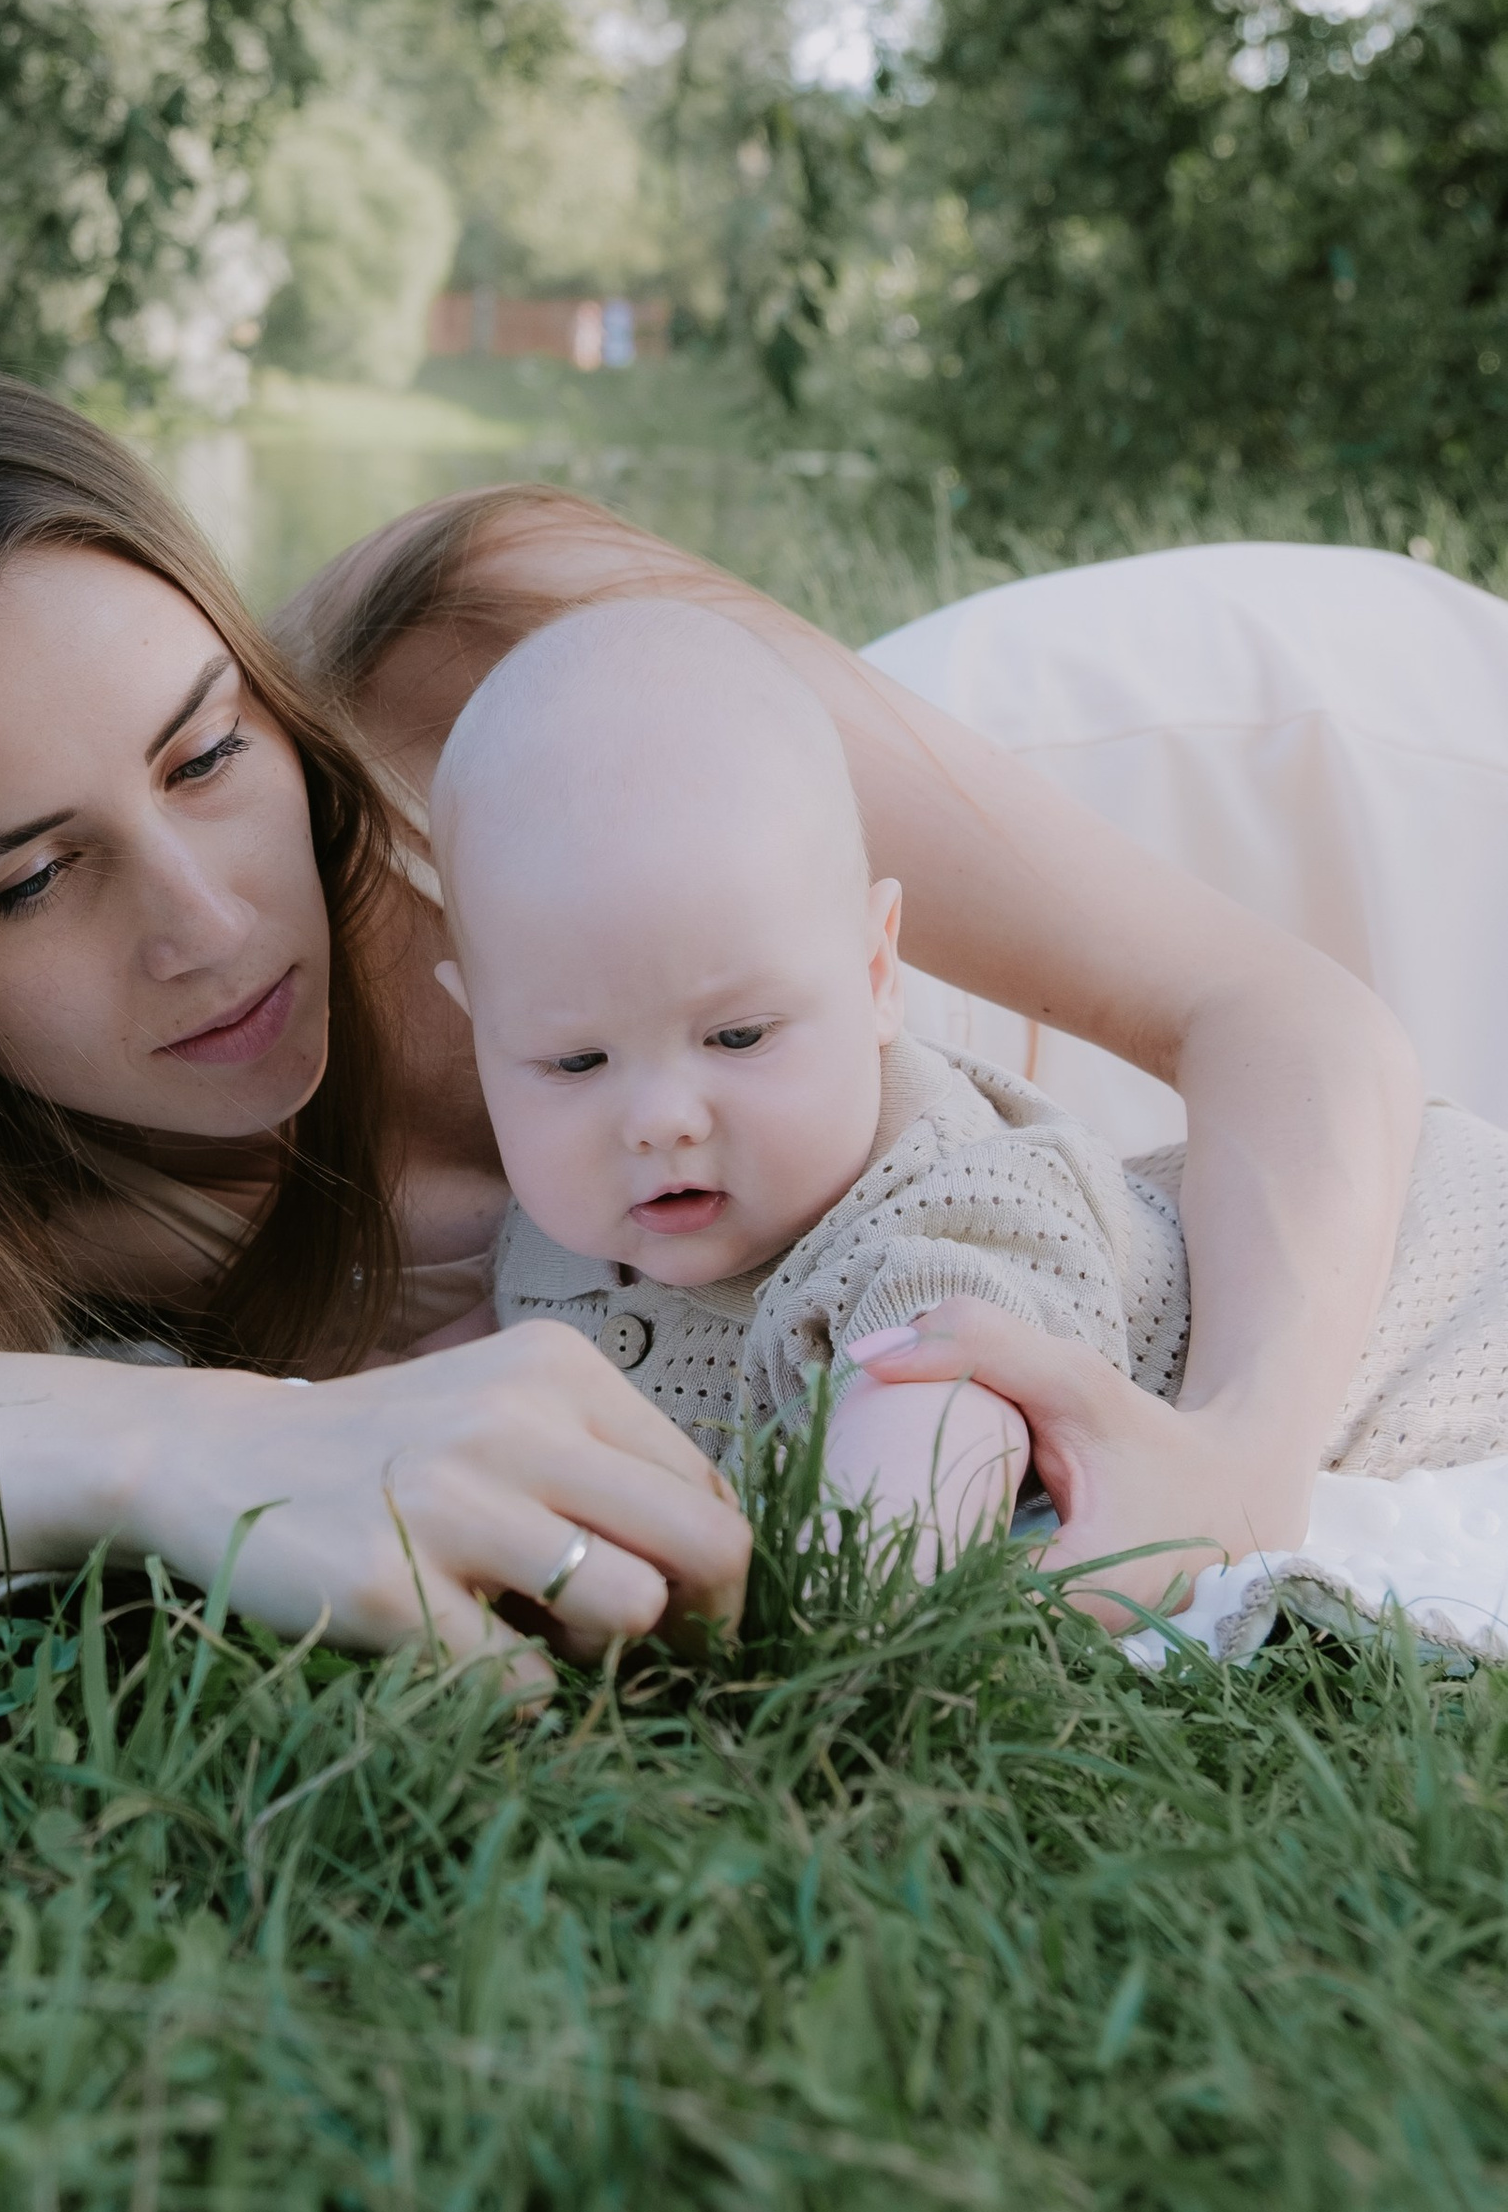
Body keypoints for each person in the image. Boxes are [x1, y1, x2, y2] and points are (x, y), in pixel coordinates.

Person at [0, 360, 1423, 1672]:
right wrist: (209, 1451)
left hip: (1307, 780)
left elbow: (1276, 1008)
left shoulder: (493, 654)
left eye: (207, 752)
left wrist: (1246, 1454)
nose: (210, 923)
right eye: (32, 880)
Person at [433, 599, 1508, 1597]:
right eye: (576, 1063)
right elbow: (456, 1400)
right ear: (478, 1030)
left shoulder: (943, 1227)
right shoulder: (556, 1232)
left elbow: (898, 1514)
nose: (660, 1117)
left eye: (739, 1036)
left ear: (875, 973)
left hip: (1437, 1291)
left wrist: (813, 1617)